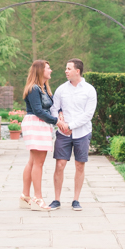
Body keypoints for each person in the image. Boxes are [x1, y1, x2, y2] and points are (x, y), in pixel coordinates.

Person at [48, 58, 97, 211]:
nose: (66, 71)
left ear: (78, 71)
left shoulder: (89, 90)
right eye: (66, 68)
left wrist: (71, 125)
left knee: (79, 165)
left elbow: (88, 114)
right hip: (63, 133)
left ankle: (76, 200)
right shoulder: (61, 89)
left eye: (69, 68)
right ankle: (56, 199)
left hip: (82, 132)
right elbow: (54, 109)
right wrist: (61, 123)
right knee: (60, 165)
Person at [20, 59, 58, 211]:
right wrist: (56, 121)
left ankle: (25, 196)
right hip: (36, 124)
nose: (51, 70)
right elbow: (38, 111)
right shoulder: (34, 89)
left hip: (39, 124)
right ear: (40, 71)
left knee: (33, 161)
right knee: (38, 163)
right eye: (48, 68)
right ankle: (38, 198)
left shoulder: (43, 88)